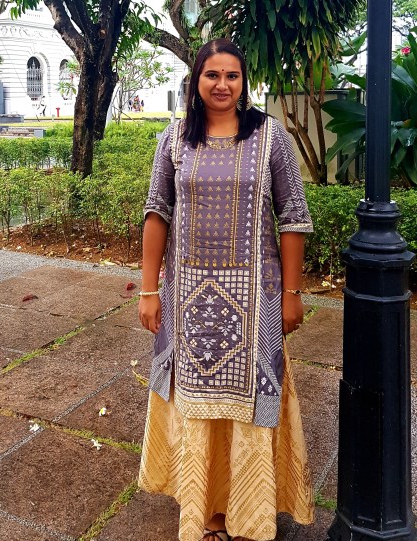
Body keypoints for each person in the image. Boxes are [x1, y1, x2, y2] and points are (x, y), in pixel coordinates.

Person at [138, 38, 314, 541]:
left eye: (231, 75)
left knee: (252, 398)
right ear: (196, 80)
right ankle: (207, 510)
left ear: (243, 81)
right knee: (195, 400)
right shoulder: (174, 139)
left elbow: (293, 217)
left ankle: (249, 512)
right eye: (211, 74)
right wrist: (149, 291)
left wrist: (292, 293)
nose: (222, 84)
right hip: (186, 298)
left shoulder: (270, 137)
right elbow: (157, 213)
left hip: (256, 298)